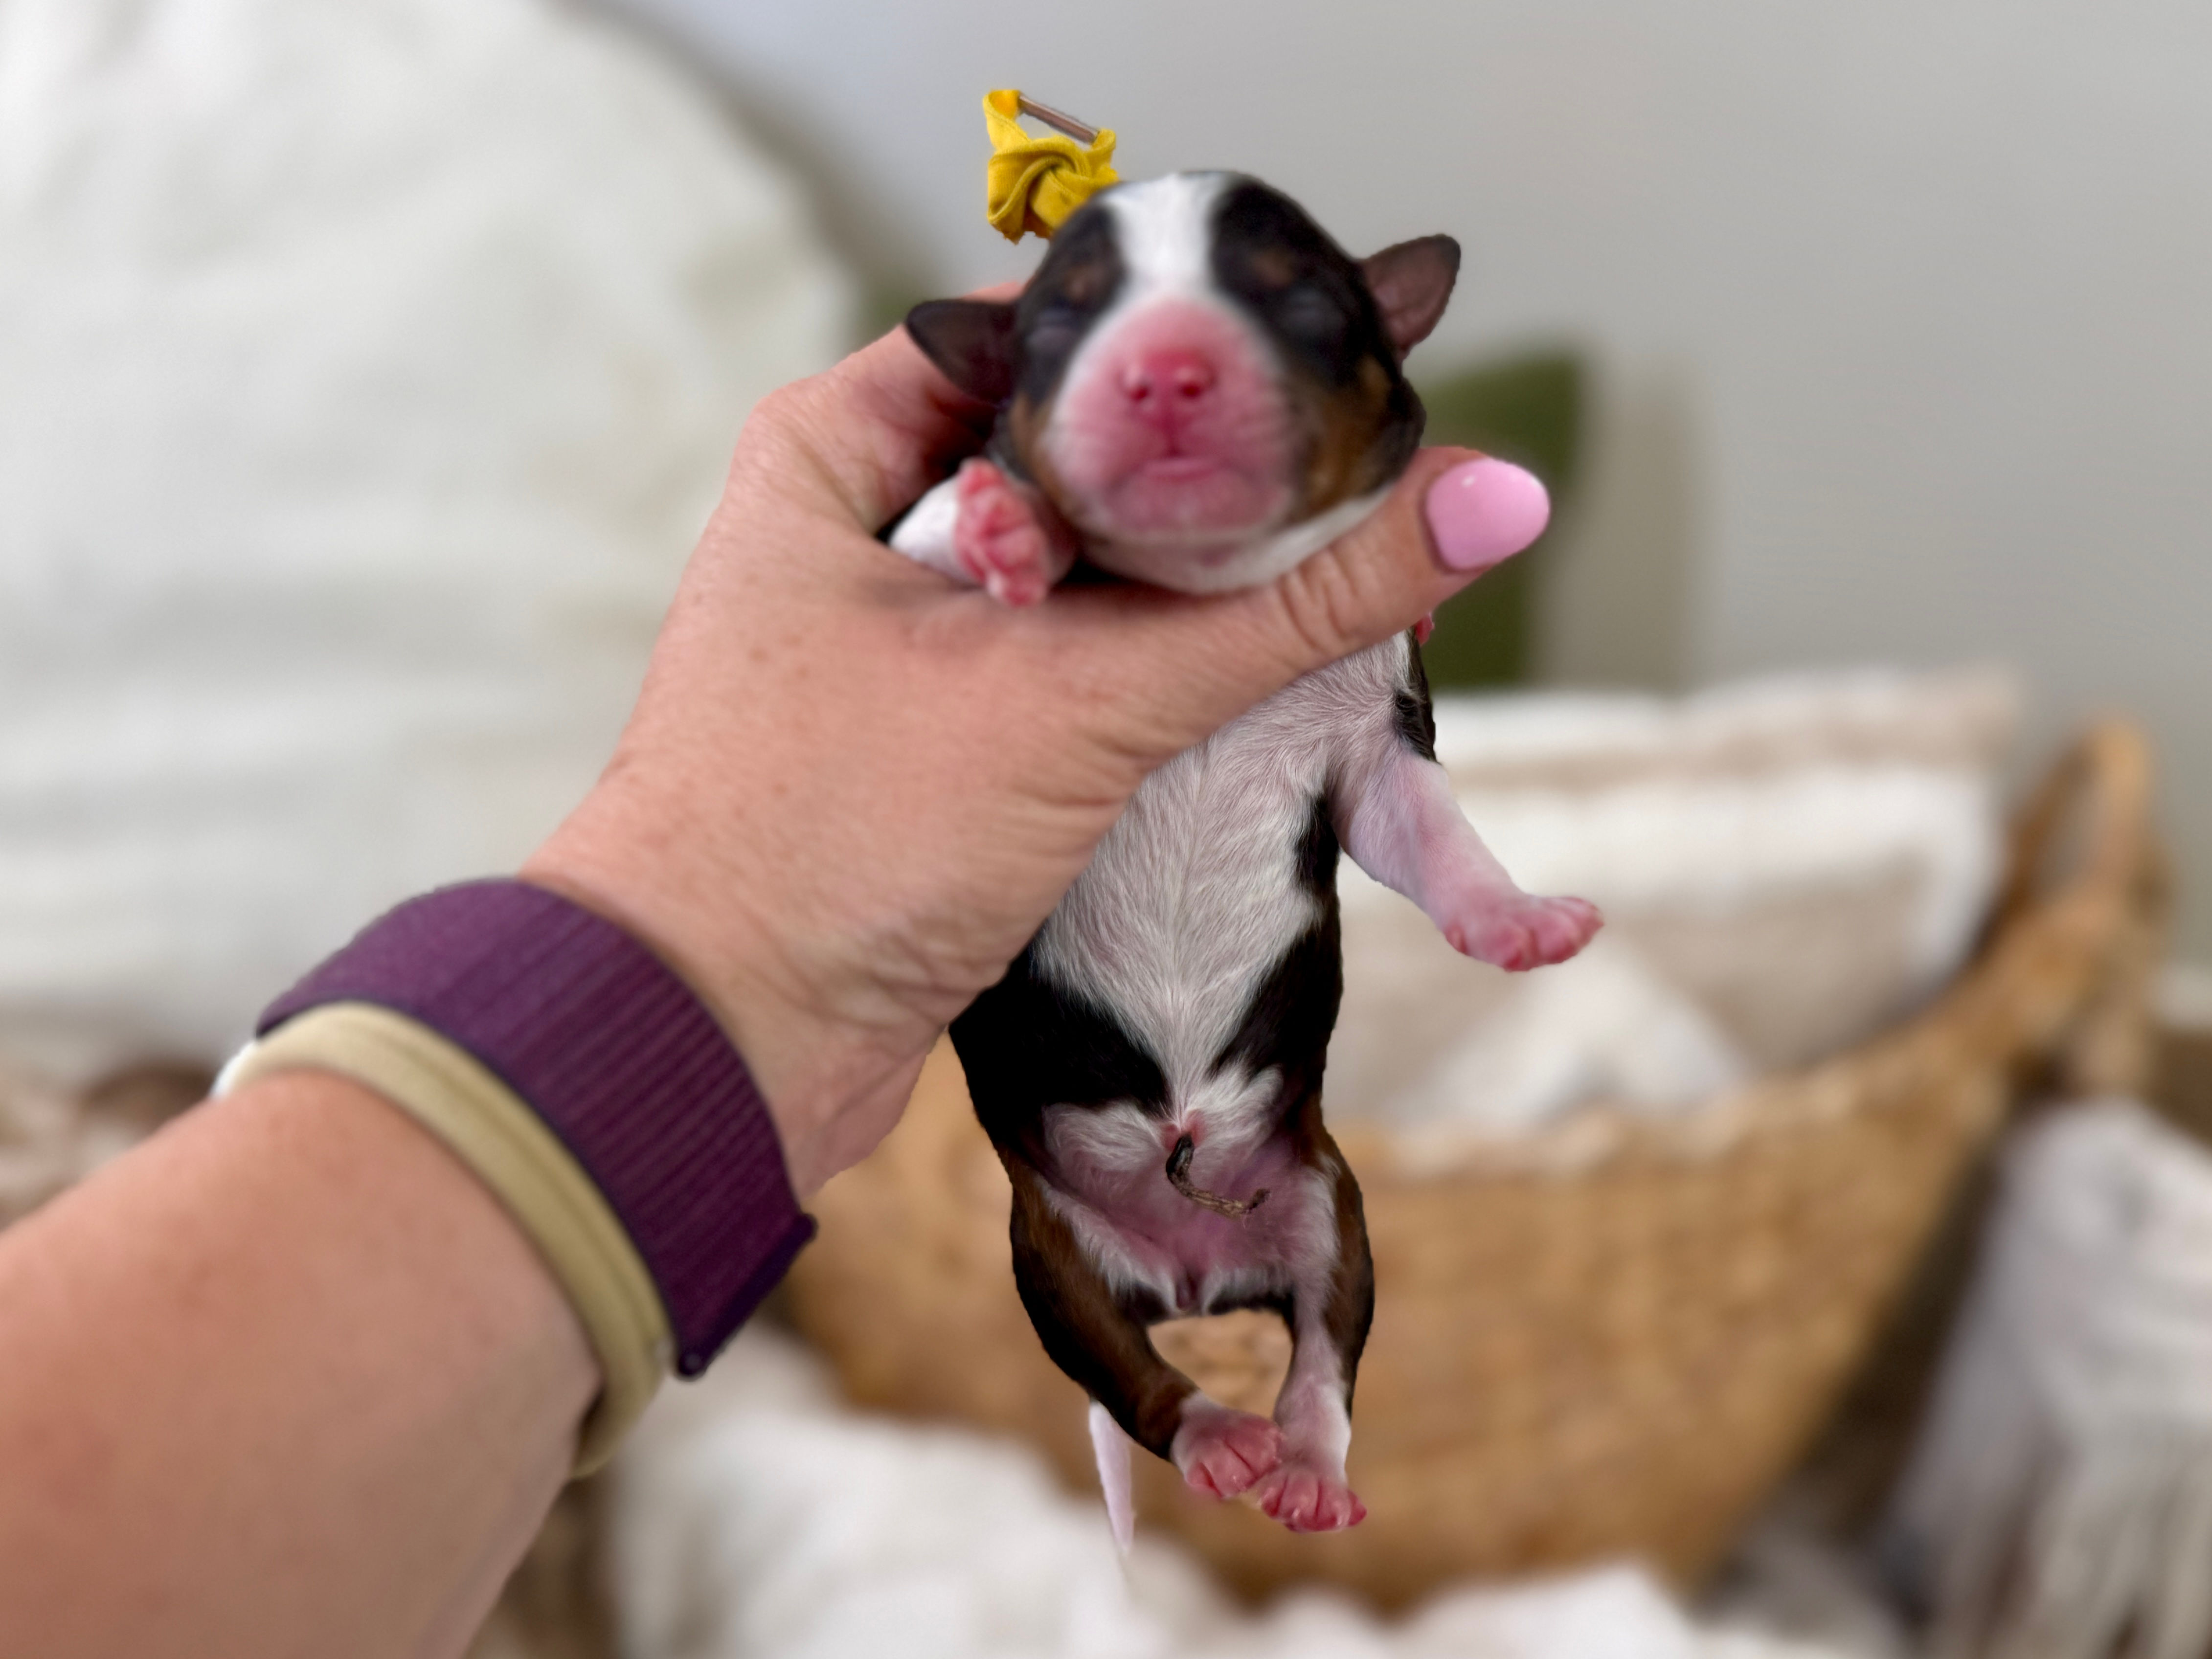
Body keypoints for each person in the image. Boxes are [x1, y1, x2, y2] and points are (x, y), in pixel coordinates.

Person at [0, 317, 1547, 1657]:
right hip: (1057, 1117)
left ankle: (1312, 1410)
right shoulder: (1005, 518)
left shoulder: (1341, 643)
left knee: (1311, 1216)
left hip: (1234, 1095)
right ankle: (1174, 1410)